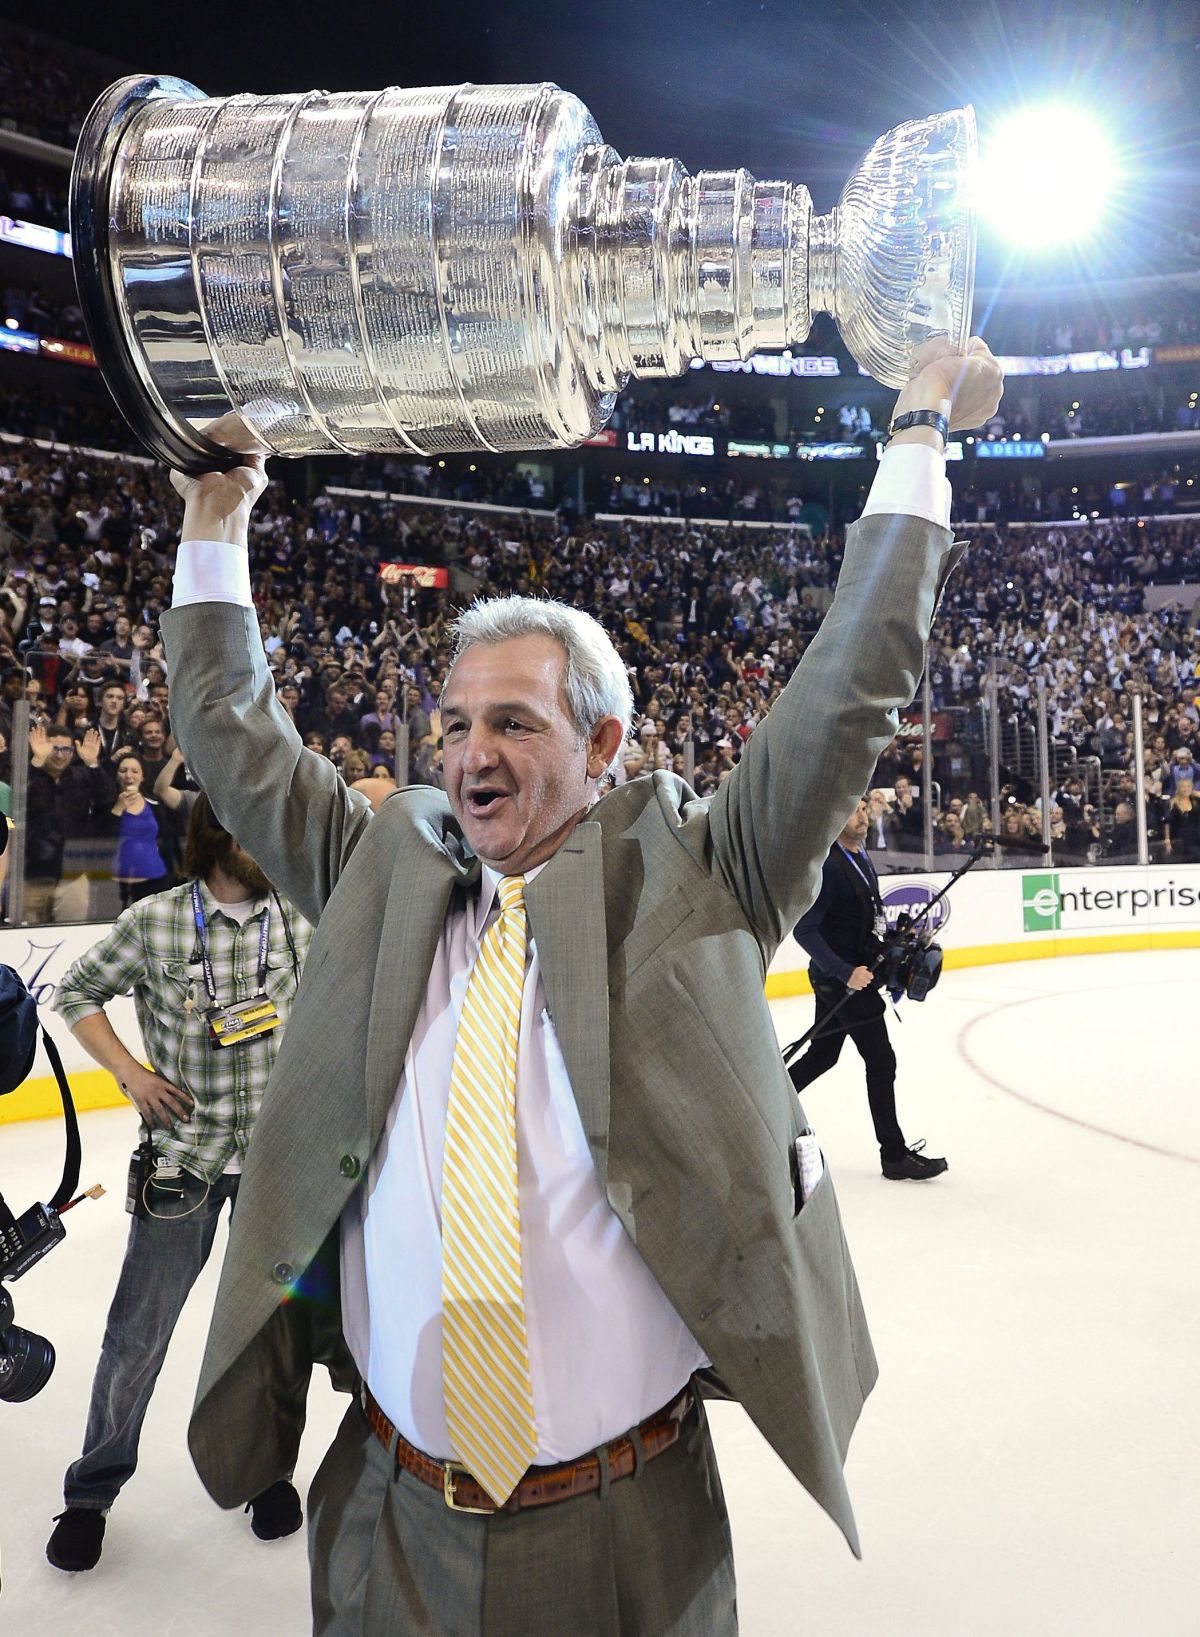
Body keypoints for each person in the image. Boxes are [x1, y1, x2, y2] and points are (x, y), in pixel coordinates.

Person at [161, 338, 1003, 1635]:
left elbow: (852, 685)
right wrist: (216, 521)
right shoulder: (380, 868)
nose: (471, 751)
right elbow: (232, 734)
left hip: (629, 1534)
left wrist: (918, 432)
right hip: (386, 1508)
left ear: (603, 743)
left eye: (514, 722)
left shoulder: (706, 868)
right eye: (456, 724)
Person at [45, 794, 317, 1572]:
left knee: (268, 1335)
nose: (270, 841)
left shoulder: (297, 914)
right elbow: (75, 992)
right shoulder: (156, 921)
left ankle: (265, 1473)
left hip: (272, 1167)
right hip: (181, 1165)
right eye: (252, 829)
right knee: (137, 1336)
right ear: (215, 836)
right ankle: (90, 1492)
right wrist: (129, 1072)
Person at [786, 798, 948, 1180]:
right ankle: (893, 1155)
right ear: (837, 818)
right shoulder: (830, 866)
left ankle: (764, 1105)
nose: (863, 815)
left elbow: (863, 921)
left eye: (864, 809)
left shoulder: (860, 858)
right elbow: (805, 930)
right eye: (855, 810)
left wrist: (892, 939)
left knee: (823, 1056)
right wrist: (845, 973)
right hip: (843, 984)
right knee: (881, 1061)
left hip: (850, 978)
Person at [24, 723, 107, 923]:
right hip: (33, 872)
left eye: (66, 749)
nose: (60, 755)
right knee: (25, 936)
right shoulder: (31, 776)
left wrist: (93, 764)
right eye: (54, 749)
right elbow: (16, 798)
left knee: (72, 931)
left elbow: (108, 799)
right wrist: (37, 761)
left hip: (73, 872)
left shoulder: (82, 777)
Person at [109, 751, 169, 908]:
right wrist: (118, 808)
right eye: (123, 771)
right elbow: (104, 839)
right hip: (116, 883)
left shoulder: (154, 804)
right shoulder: (107, 803)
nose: (128, 775)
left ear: (143, 776)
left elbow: (167, 841)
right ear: (116, 775)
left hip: (155, 879)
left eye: (135, 771)